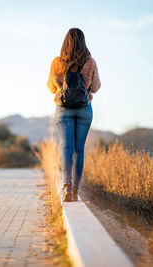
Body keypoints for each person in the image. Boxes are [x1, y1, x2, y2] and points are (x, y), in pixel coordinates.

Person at [47, 28, 101, 202]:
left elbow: (50, 87)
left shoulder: (57, 62)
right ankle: (76, 191)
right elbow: (95, 87)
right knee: (79, 149)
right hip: (84, 108)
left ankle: (66, 188)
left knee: (66, 147)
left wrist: (63, 87)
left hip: (63, 109)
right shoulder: (90, 62)